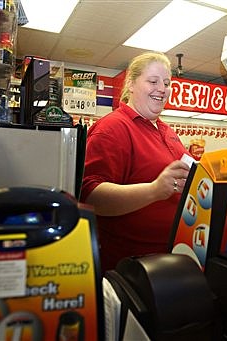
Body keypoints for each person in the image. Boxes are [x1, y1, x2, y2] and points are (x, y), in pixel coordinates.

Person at [80, 51, 192, 272]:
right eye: (153, 81)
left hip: (171, 257)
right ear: (131, 84)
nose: (162, 88)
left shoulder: (166, 130)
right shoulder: (112, 128)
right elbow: (90, 195)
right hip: (131, 267)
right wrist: (154, 190)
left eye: (167, 83)